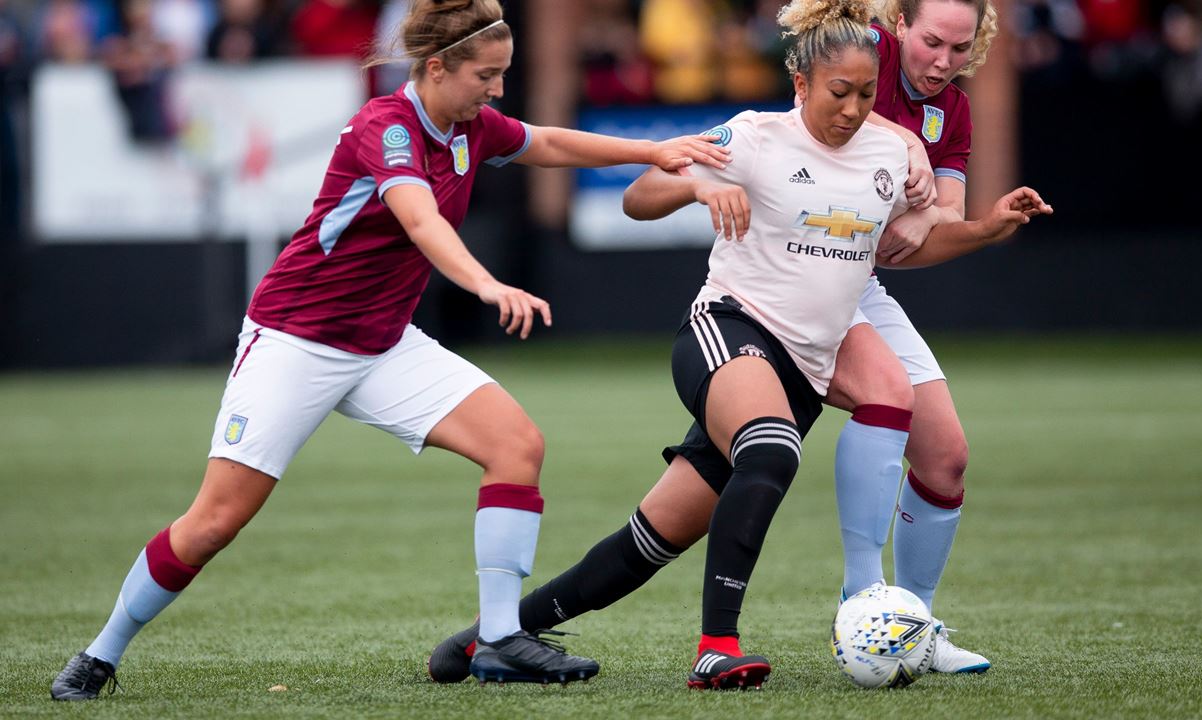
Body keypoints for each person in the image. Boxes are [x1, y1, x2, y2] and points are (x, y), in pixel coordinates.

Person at [49, 0, 730, 700]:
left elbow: (547, 143)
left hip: (381, 343)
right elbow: (420, 219)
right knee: (214, 522)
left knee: (516, 444)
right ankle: (99, 654)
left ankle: (499, 639)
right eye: (486, 76)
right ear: (437, 67)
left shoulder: (469, 127)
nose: (497, 90)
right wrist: (486, 283)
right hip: (297, 340)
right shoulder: (387, 127)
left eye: (503, 75)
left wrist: (652, 151)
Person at [426, 0, 1049, 690]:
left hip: (808, 359)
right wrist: (696, 187)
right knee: (780, 446)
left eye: (866, 95)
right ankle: (727, 642)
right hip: (730, 329)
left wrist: (988, 227)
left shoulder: (887, 154)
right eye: (839, 92)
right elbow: (639, 195)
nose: (853, 108)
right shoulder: (755, 135)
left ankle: (489, 638)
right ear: (802, 84)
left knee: (652, 539)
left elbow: (922, 236)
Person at [824, 0, 1003, 674]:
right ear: (897, 23)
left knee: (947, 457)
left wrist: (966, 221)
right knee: (882, 398)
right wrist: (900, 144)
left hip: (856, 285)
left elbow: (947, 211)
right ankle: (861, 602)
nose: (943, 62)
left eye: (960, 49)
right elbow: (817, 96)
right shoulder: (865, 46)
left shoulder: (951, 110)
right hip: (788, 272)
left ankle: (912, 627)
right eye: (932, 41)